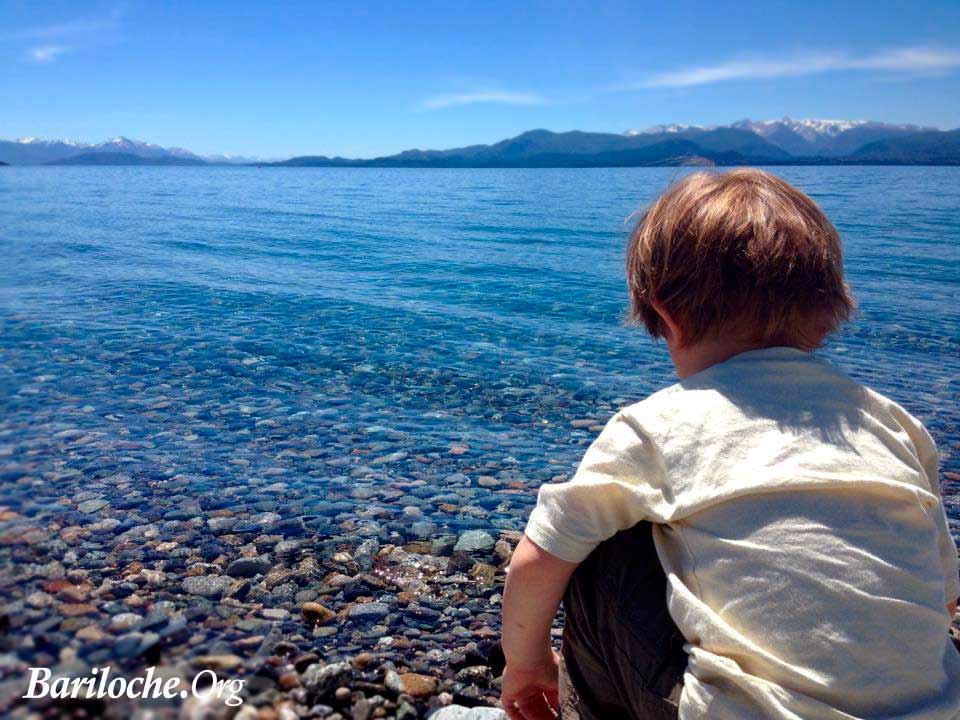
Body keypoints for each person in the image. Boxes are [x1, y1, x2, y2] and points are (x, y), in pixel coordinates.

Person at [500, 168, 960, 719]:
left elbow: (535, 561)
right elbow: (945, 593)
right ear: (829, 311)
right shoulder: (894, 424)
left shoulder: (656, 426)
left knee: (600, 539)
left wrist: (526, 665)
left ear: (664, 317)